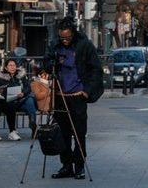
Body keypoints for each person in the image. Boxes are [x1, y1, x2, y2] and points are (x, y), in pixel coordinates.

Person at [45, 16, 104, 180]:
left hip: (77, 96)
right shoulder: (55, 45)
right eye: (62, 37)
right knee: (62, 134)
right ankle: (66, 166)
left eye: (67, 38)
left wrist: (88, 90)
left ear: (73, 33)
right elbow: (47, 64)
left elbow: (96, 70)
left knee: (79, 133)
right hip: (60, 96)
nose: (64, 40)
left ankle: (79, 166)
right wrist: (50, 63)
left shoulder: (84, 45)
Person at [0, 58, 37, 141]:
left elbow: (28, 87)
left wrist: (23, 93)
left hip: (21, 100)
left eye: (14, 65)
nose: (12, 67)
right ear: (6, 68)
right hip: (8, 101)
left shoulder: (21, 76)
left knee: (29, 100)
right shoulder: (1, 78)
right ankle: (12, 131)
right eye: (10, 65)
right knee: (9, 105)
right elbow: (0, 91)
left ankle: (33, 125)